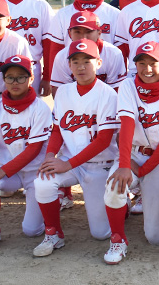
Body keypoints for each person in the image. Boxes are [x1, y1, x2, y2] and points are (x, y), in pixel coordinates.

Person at [101, 42, 159, 264]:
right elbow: (126, 125)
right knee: (114, 186)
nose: (147, 69)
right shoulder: (128, 86)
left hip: (158, 159)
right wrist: (125, 164)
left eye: (153, 63)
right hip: (131, 153)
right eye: (141, 63)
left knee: (156, 238)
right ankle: (118, 239)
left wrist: (143, 170)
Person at [33, 40, 119, 257]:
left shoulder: (108, 94)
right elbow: (57, 130)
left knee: (101, 233)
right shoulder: (63, 92)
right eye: (75, 62)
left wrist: (66, 164)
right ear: (69, 65)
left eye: (87, 61)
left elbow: (103, 140)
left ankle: (120, 201)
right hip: (70, 163)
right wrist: (51, 156)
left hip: (100, 165)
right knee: (42, 181)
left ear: (98, 63)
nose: (81, 67)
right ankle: (54, 234)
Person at [0, 55, 50, 248]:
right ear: (4, 79)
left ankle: (48, 203)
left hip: (36, 174)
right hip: (11, 173)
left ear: (31, 79)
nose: (15, 82)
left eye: (21, 77)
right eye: (10, 77)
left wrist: (2, 170)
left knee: (31, 231)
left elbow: (33, 150)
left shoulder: (40, 108)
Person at [43, 0, 121, 88]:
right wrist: (51, 78)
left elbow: (120, 53)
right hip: (72, 80)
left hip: (107, 81)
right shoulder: (63, 14)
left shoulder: (114, 14)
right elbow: (55, 51)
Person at [0, 0, 55, 96]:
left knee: (31, 113)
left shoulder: (40, 6)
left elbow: (49, 44)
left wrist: (47, 76)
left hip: (31, 69)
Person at [49, 11, 127, 94]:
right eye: (77, 32)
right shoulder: (61, 56)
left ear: (99, 33)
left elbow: (116, 91)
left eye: (88, 31)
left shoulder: (113, 54)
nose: (83, 37)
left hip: (105, 103)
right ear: (70, 33)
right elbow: (60, 92)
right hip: (75, 103)